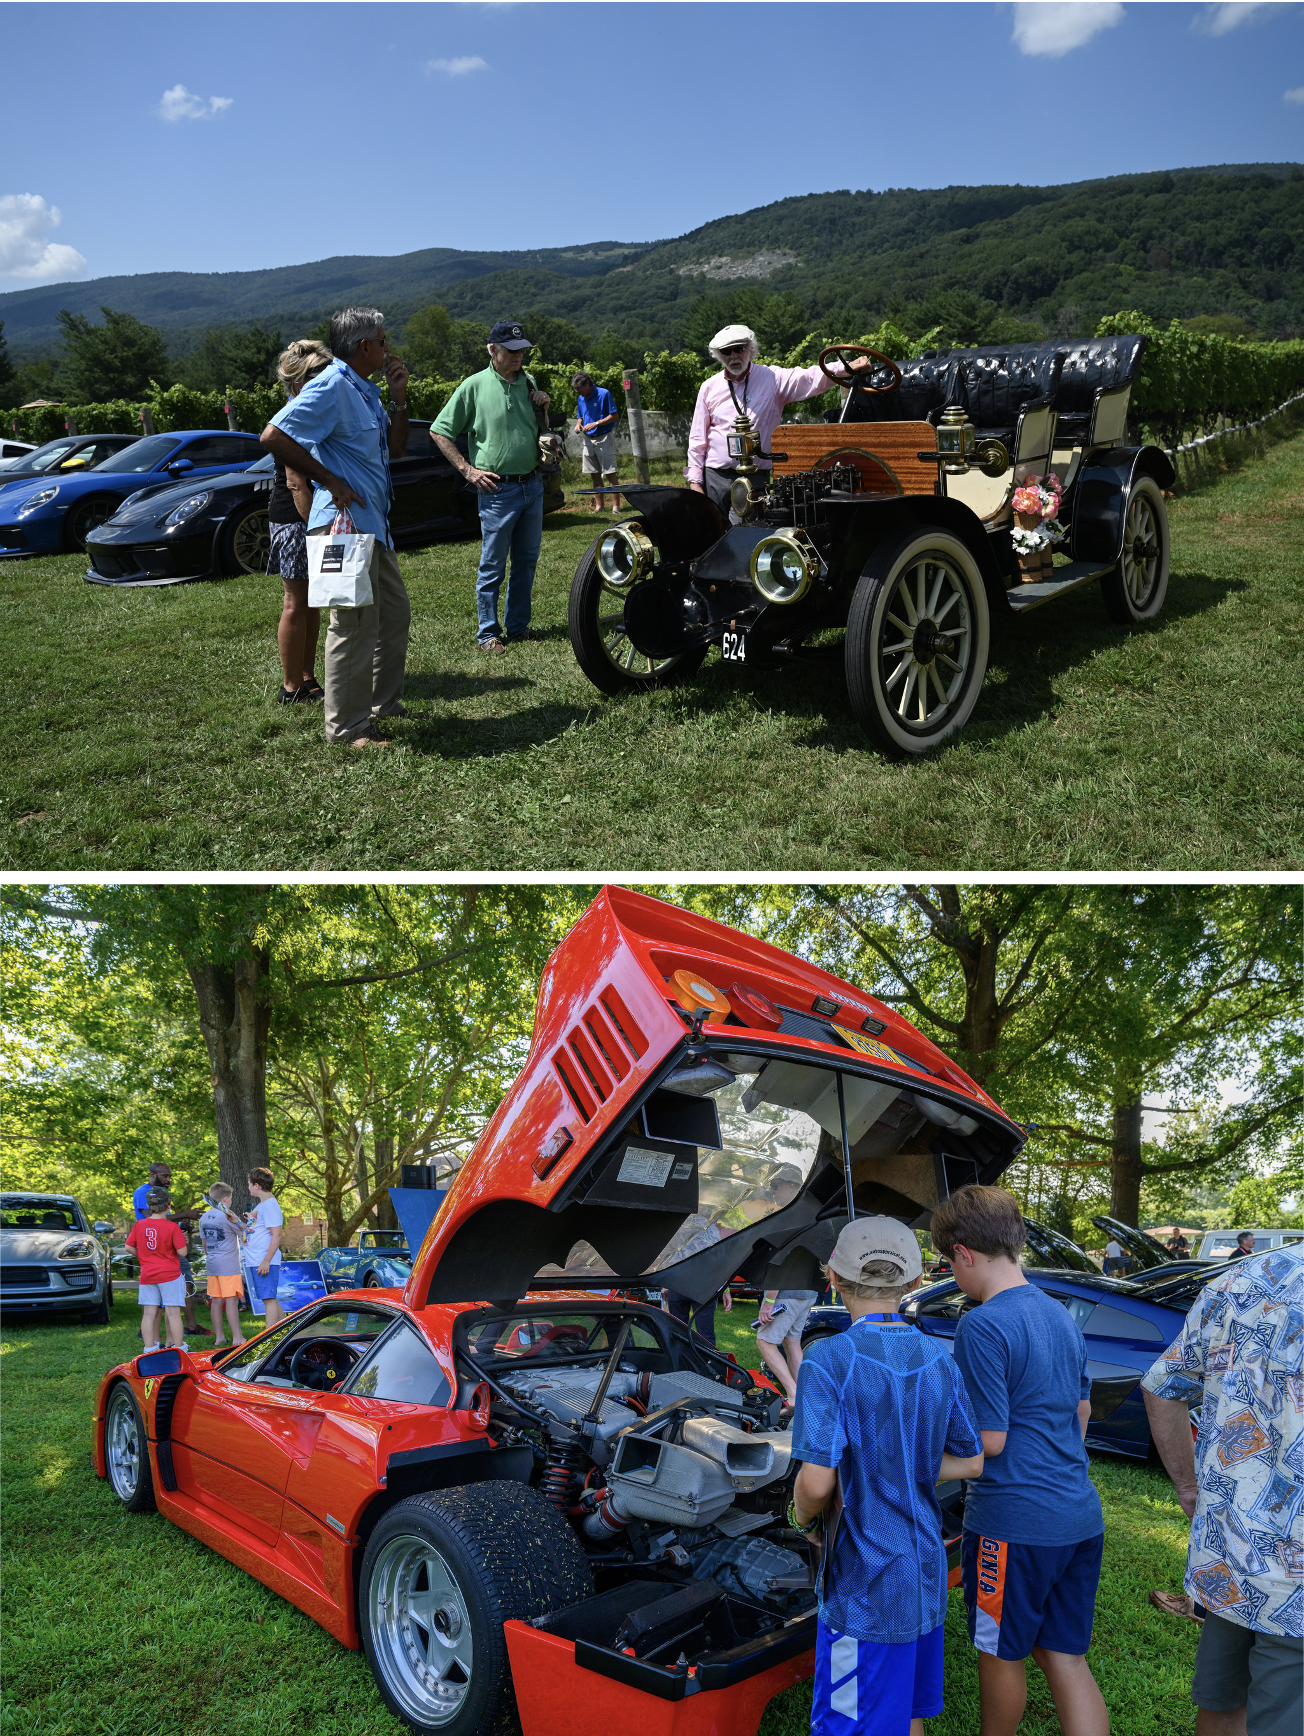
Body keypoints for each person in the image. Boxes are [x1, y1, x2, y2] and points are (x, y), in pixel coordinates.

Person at [790, 1217, 985, 1736]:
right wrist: (904, 1462)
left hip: (865, 1586)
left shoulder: (826, 1359)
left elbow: (816, 1484)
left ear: (832, 1275)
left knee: (849, 1725)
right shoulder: (939, 1360)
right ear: (917, 1281)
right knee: (906, 1715)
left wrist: (802, 1521)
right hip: (924, 1572)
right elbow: (971, 1461)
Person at [931, 1185, 1108, 1736]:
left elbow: (988, 1441)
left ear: (963, 1253)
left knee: (1000, 1654)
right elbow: (1081, 1413)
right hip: (1079, 1515)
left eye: (946, 1261)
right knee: (1065, 1658)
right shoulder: (1060, 1315)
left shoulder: (982, 1324)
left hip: (1013, 1526)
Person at [1140, 1242, 1302, 1736]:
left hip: (1227, 1554)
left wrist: (1190, 1490)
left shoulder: (1243, 1278)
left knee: (1222, 1704)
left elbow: (1162, 1386)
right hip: (1293, 1584)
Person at [261, 307, 411, 748]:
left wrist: (400, 398)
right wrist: (329, 479)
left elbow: (397, 450)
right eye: (383, 341)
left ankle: (383, 705)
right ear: (365, 346)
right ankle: (347, 728)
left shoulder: (365, 390)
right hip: (343, 528)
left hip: (373, 527)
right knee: (352, 622)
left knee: (393, 614)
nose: (388, 348)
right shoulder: (331, 386)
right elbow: (273, 435)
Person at [430, 320, 552, 653]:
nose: (518, 356)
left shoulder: (528, 382)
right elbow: (439, 431)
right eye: (511, 351)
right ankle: (488, 633)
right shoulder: (473, 386)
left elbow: (535, 428)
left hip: (532, 484)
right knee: (493, 564)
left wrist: (543, 404)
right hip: (498, 491)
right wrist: (466, 469)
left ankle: (518, 626)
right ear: (492, 350)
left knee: (526, 561)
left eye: (522, 350)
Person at [685, 324, 871, 514]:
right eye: (726, 351)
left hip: (755, 478)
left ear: (750, 349)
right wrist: (696, 484)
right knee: (714, 535)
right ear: (718, 355)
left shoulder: (772, 378)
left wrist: (845, 368)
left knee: (747, 534)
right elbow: (698, 439)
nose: (733, 356)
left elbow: (808, 378)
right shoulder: (709, 387)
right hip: (716, 477)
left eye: (739, 349)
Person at [268, 339, 333, 705]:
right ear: (296, 382)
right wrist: (317, 531)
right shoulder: (294, 415)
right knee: (296, 602)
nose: (324, 381)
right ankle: (291, 687)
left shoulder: (309, 410)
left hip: (305, 516)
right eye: (315, 375)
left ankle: (307, 679)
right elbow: (295, 481)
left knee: (312, 603)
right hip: (295, 518)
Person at [131, 1162, 209, 1339]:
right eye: (165, 1176)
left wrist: (180, 1225)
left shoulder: (157, 1194)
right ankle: (173, 1340)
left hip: (155, 1258)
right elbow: (154, 1219)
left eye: (170, 1176)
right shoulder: (143, 1192)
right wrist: (185, 1215)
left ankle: (152, 1341)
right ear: (152, 1174)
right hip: (164, 1256)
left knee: (154, 1303)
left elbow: (157, 1224)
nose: (168, 1180)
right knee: (173, 1302)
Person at [125, 1185, 188, 1351]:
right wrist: (184, 1240)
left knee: (148, 1313)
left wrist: (143, 1255)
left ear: (148, 1206)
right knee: (173, 1312)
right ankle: (179, 1348)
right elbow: (182, 1252)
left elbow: (128, 1247)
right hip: (170, 1275)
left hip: (148, 1274)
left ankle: (149, 1348)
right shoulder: (172, 1227)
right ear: (168, 1206)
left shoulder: (139, 1225)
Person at [198, 1182, 246, 1348]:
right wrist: (240, 1221)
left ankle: (219, 1337)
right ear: (225, 1198)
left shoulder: (204, 1217)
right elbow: (245, 1234)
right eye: (230, 1198)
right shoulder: (227, 1216)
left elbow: (204, 1244)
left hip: (212, 1265)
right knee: (231, 1301)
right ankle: (237, 1337)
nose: (231, 1201)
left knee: (216, 1301)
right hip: (229, 1265)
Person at [571, 371, 619, 513]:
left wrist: (596, 423)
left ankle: (616, 507)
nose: (577, 391)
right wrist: (578, 424)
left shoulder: (604, 394)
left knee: (610, 473)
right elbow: (580, 416)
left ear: (588, 383)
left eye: (579, 387)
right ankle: (600, 506)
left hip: (604, 437)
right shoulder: (581, 398)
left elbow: (614, 416)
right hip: (588, 440)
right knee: (594, 474)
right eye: (576, 389)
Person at [244, 1167, 284, 1329]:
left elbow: (277, 1234)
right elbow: (257, 1230)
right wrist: (238, 1222)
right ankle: (286, 1332)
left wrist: (266, 1261)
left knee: (268, 1298)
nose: (248, 1187)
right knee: (269, 1298)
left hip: (263, 1260)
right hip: (256, 1259)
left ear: (257, 1185)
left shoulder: (270, 1206)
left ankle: (268, 1338)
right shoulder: (262, 1206)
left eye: (249, 1184)